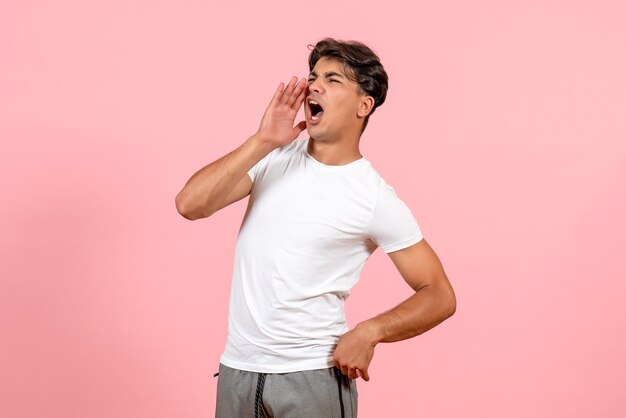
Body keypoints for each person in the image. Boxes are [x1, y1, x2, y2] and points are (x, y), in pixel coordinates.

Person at [175, 37, 456, 418]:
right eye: (313, 75)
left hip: (313, 376)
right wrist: (261, 141)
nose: (314, 85)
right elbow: (191, 205)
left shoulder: (373, 197)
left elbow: (439, 295)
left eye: (333, 79)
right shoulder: (271, 158)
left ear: (364, 105)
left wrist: (371, 331)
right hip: (238, 372)